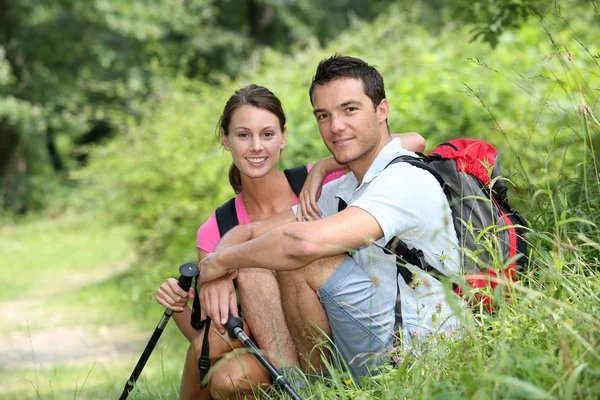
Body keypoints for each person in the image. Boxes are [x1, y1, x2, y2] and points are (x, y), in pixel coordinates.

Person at [197, 55, 464, 383]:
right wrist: (219, 268)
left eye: (349, 109)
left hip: (417, 353)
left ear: (382, 111)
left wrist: (220, 263)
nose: (335, 126)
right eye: (324, 115)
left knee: (298, 255)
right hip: (371, 335)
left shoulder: (403, 179)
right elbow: (252, 230)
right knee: (258, 261)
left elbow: (303, 245)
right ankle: (300, 387)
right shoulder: (345, 186)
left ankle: (316, 388)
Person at [155, 84, 427, 398]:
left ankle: (324, 384)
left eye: (267, 134)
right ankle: (294, 389)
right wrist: (184, 301)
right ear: (226, 140)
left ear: (283, 137)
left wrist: (325, 165)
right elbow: (206, 344)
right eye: (243, 135)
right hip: (271, 352)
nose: (256, 147)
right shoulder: (217, 228)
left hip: (340, 332)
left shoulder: (317, 182)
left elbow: (413, 141)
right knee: (229, 378)